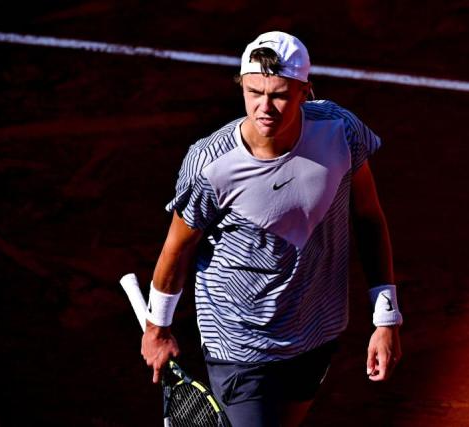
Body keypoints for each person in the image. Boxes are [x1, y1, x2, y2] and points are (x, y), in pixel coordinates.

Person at [141, 31, 403, 427]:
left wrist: (386, 317)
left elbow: (367, 217)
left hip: (316, 328)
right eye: (253, 92)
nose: (265, 107)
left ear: (304, 91)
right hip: (240, 343)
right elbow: (176, 250)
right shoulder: (209, 165)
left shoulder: (341, 132)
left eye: (280, 94)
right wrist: (157, 328)